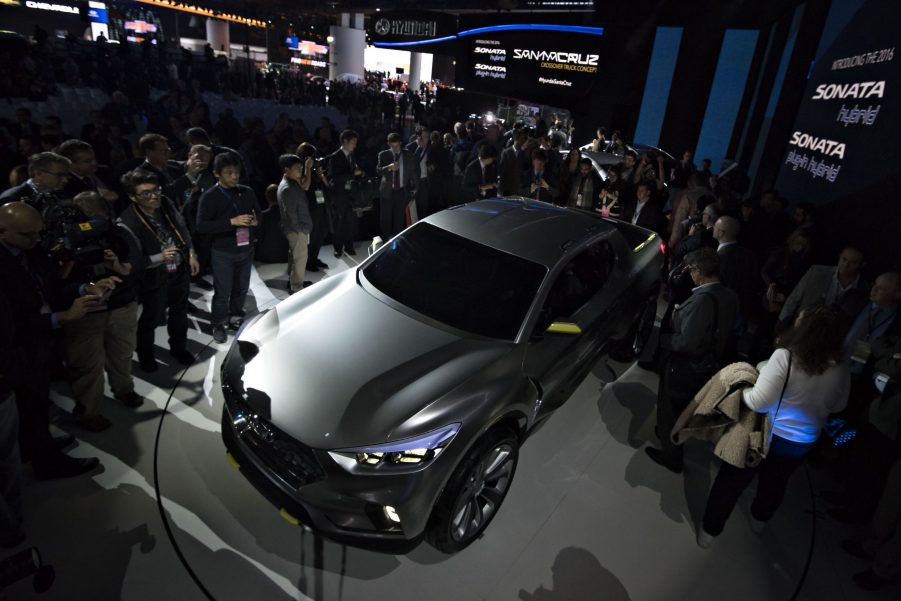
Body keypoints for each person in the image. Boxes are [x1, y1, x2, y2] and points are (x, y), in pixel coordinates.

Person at [697, 305, 851, 547]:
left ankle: (710, 531)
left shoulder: (786, 356)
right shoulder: (841, 368)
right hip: (801, 442)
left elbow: (760, 401)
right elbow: (839, 405)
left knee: (730, 483)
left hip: (765, 434)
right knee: (775, 483)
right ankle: (760, 520)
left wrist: (742, 392)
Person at [0, 202, 105, 479]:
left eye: (38, 233)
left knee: (36, 406)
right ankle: (48, 463)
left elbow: (51, 285)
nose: (36, 240)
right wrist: (63, 317)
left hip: (42, 344)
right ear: (2, 232)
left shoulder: (30, 250)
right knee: (31, 405)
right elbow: (11, 323)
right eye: (28, 235)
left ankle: (34, 446)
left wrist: (84, 287)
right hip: (18, 352)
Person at [646, 247, 739, 473]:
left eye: (691, 269)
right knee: (684, 406)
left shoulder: (702, 301)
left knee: (670, 406)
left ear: (700, 271)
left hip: (685, 365)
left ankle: (671, 455)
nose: (689, 274)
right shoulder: (729, 295)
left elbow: (686, 342)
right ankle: (671, 434)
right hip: (708, 363)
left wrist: (665, 340)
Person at [64, 192, 140, 432]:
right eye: (88, 216)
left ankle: (124, 390)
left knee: (123, 353)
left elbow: (132, 269)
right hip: (85, 311)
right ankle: (88, 411)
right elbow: (55, 281)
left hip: (121, 306)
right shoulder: (66, 240)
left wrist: (116, 265)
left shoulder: (119, 234)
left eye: (97, 214)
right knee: (88, 364)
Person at [118, 170, 199, 369]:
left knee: (179, 313)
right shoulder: (127, 222)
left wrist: (191, 253)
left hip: (179, 268)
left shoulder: (166, 204)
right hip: (153, 276)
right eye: (146, 193)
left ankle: (178, 348)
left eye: (156, 190)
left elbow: (182, 228)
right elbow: (133, 262)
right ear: (132, 197)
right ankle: (146, 356)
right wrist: (159, 257)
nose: (154, 196)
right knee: (151, 318)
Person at [196, 153, 261, 344]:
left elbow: (258, 212)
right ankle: (218, 323)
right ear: (217, 174)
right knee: (222, 292)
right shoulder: (209, 197)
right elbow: (202, 226)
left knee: (241, 288)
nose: (235, 176)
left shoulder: (247, 191)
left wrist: (257, 220)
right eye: (229, 173)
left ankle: (235, 316)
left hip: (246, 248)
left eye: (237, 172)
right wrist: (231, 222)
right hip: (223, 252)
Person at [778, 245, 869, 330]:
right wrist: (781, 324)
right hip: (801, 328)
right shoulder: (817, 272)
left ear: (862, 265)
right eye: (844, 259)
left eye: (853, 263)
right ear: (839, 257)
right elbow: (794, 299)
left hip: (832, 338)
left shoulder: (864, 289)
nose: (845, 265)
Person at [276, 154, 313, 293]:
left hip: (294, 229)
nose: (300, 170)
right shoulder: (287, 187)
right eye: (297, 168)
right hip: (296, 230)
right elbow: (290, 214)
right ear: (287, 170)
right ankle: (297, 288)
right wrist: (301, 230)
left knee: (295, 256)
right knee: (300, 258)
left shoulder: (291, 181)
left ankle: (295, 282)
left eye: (301, 167)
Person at [326, 129, 364, 258]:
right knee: (339, 223)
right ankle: (338, 248)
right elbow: (334, 178)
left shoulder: (351, 156)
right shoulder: (335, 157)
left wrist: (359, 173)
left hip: (349, 194)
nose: (355, 145)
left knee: (349, 222)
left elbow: (352, 172)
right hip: (338, 194)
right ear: (345, 142)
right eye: (353, 142)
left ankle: (349, 246)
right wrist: (352, 174)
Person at [377, 133, 418, 239]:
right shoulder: (384, 154)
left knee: (399, 219)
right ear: (388, 144)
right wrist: (388, 168)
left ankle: (396, 243)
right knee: (385, 220)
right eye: (392, 146)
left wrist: (416, 187)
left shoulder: (408, 154)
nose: (395, 148)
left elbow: (413, 172)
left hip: (401, 190)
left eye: (397, 146)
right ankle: (385, 244)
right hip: (387, 191)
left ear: (400, 143)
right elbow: (378, 171)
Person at [0, 152, 70, 212]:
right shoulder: (12, 198)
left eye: (66, 175)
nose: (65, 180)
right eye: (59, 175)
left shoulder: (61, 195)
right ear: (38, 174)